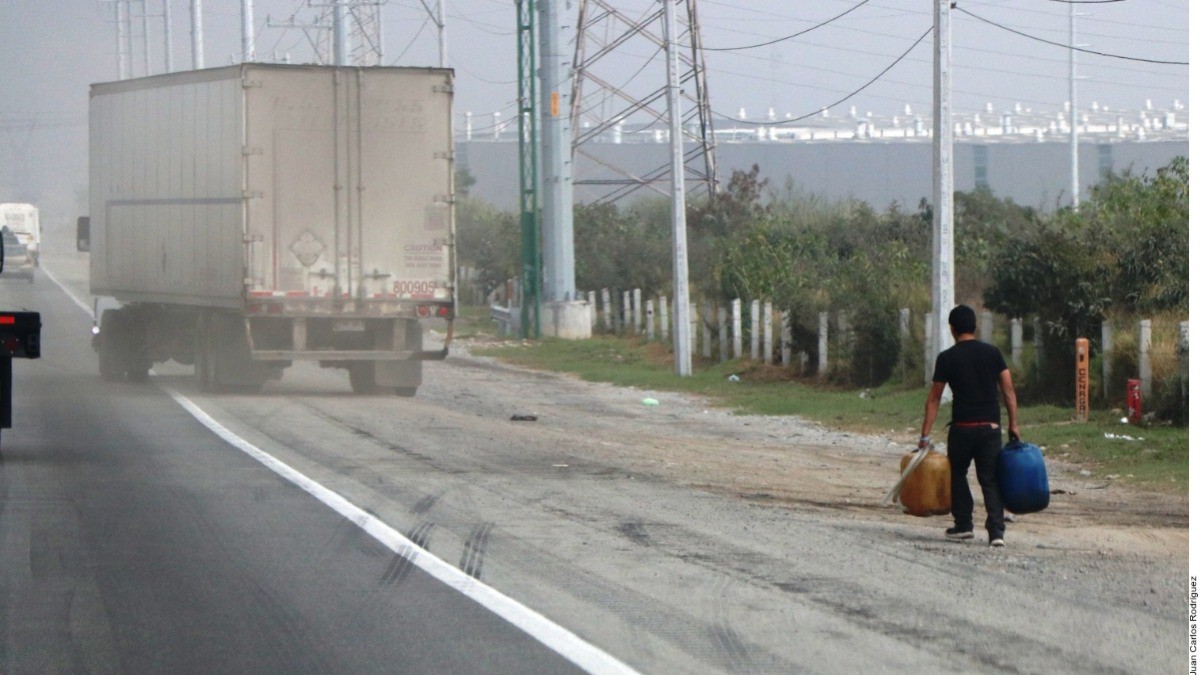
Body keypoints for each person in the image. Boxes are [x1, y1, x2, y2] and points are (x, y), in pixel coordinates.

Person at [918, 305, 1019, 547]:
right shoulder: (993, 353)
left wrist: (925, 435)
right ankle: (996, 532)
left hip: (962, 428)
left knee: (957, 474)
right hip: (990, 428)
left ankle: (964, 525)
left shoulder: (947, 358)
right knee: (990, 479)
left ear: (952, 330)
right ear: (975, 327)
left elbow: (934, 398)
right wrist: (1014, 424)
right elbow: (1008, 390)